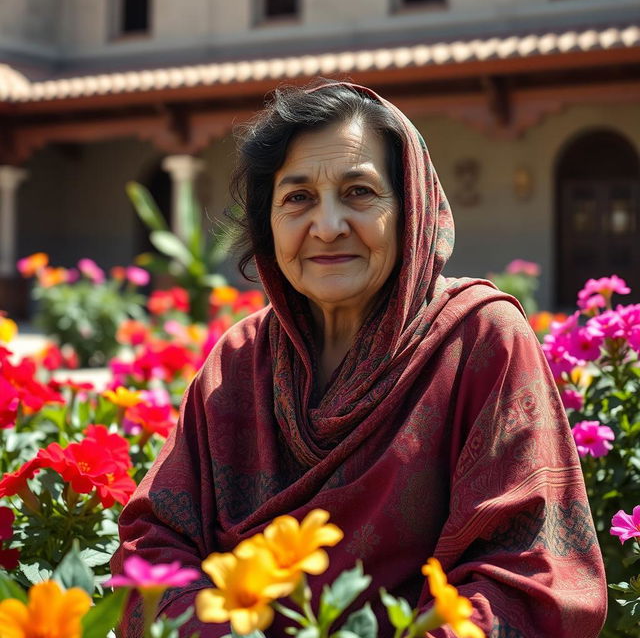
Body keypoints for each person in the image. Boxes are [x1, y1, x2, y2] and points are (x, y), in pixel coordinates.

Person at [112, 81, 607, 637]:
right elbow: (155, 547)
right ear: (268, 222)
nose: (327, 227)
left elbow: (526, 575)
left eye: (359, 192)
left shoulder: (479, 342)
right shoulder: (239, 362)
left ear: (409, 209)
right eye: (297, 198)